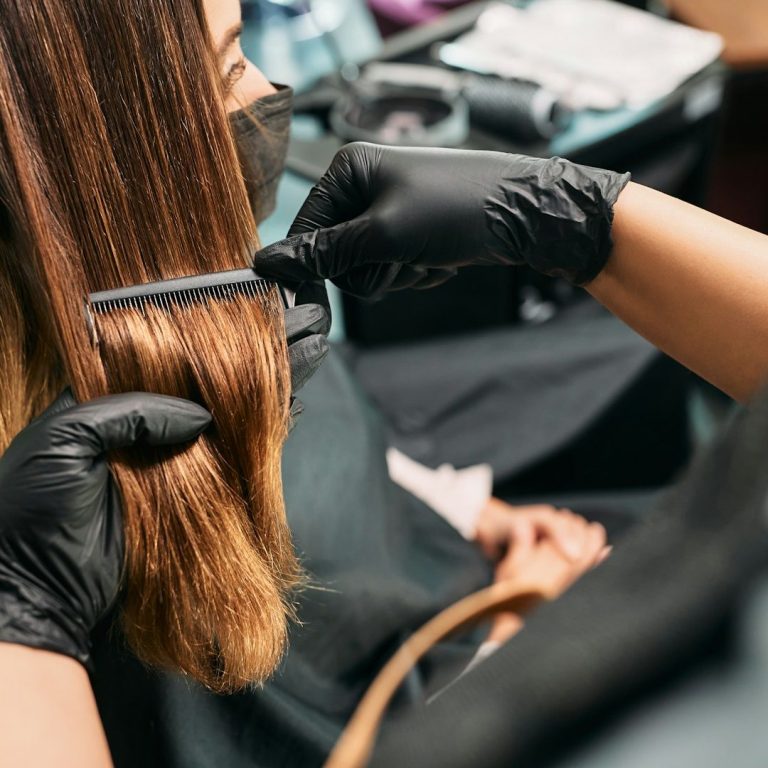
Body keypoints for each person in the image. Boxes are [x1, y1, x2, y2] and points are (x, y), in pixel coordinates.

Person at [0, 1, 731, 767]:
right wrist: (513, 630)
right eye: (230, 65)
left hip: (441, 560)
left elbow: (335, 449)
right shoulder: (109, 523)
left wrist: (464, 513)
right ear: (111, 149)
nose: (269, 92)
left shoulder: (198, 323)